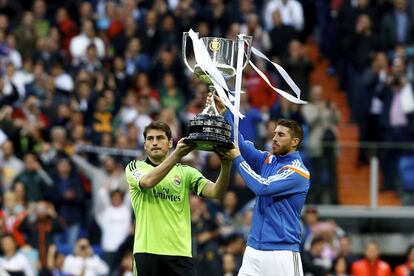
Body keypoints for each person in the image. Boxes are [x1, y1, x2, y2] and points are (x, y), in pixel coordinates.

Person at [210, 93, 310, 276]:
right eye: (274, 134)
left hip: (282, 253)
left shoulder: (298, 172)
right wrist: (225, 112)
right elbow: (238, 143)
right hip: (254, 249)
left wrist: (238, 158)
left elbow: (262, 187)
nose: (274, 138)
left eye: (281, 135)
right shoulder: (268, 160)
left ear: (295, 142)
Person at [125, 120, 233, 276]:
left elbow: (217, 192)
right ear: (144, 145)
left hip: (180, 253)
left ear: (170, 142)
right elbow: (147, 182)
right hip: (147, 251)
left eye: (160, 138)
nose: (155, 142)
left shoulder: (186, 172)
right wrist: (177, 155)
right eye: (150, 139)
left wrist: (226, 166)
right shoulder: (135, 167)